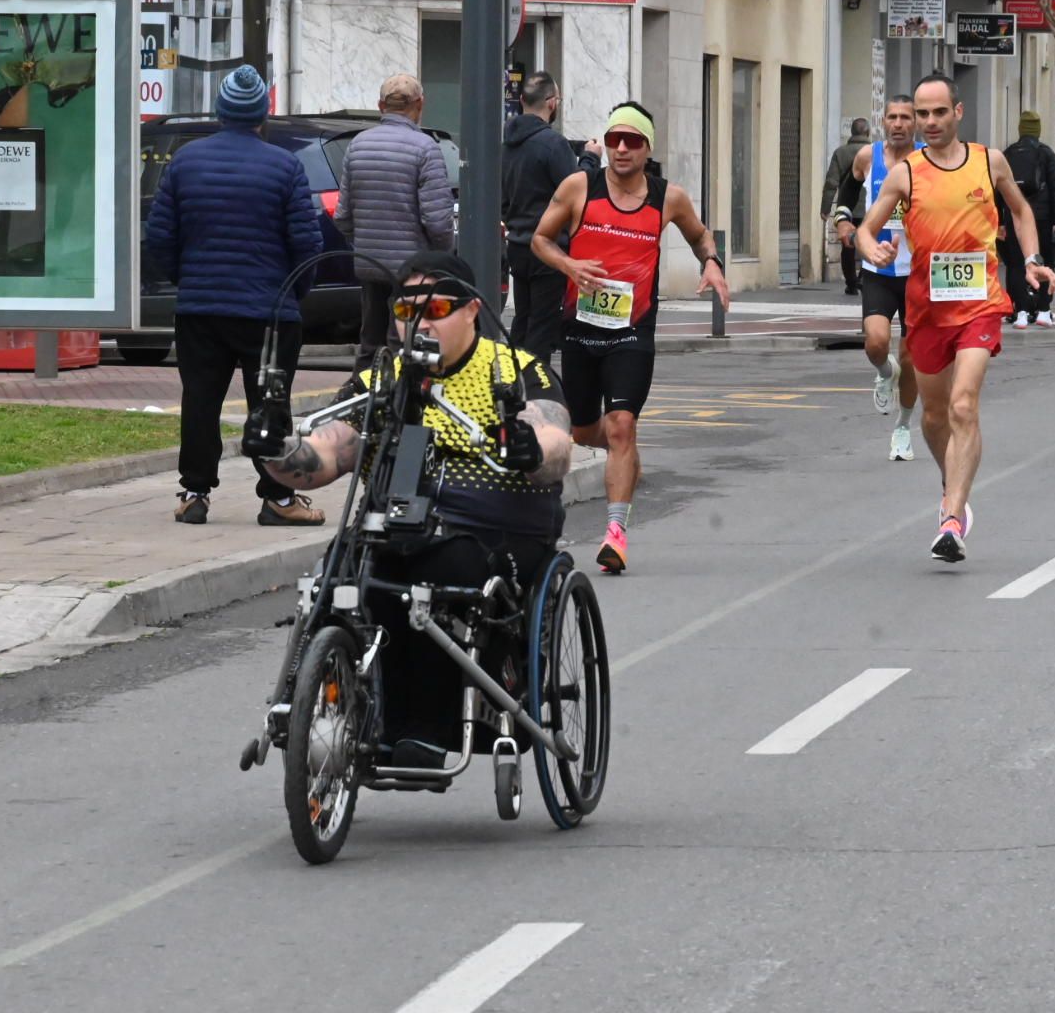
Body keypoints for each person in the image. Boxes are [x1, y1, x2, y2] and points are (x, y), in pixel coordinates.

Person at [261, 251, 574, 765]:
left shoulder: (515, 370)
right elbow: (326, 452)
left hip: (493, 531)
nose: (418, 324)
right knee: (335, 579)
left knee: (434, 578)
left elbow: (555, 439)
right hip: (394, 525)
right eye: (405, 313)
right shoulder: (382, 380)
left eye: (435, 309)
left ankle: (422, 729)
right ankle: (324, 703)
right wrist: (276, 453)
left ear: (473, 310)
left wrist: (530, 448)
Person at [856, 74, 1055, 564]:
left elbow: (1020, 211)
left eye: (937, 113)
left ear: (958, 112)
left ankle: (951, 515)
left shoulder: (989, 162)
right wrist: (875, 250)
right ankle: (953, 482)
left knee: (964, 405)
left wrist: (1031, 260)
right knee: (933, 415)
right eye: (921, 114)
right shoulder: (907, 172)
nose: (928, 122)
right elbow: (866, 229)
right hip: (927, 308)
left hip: (980, 304)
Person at [529, 101, 731, 574]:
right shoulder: (580, 187)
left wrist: (712, 263)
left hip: (633, 332)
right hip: (581, 330)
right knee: (583, 429)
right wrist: (569, 265)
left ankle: (615, 534)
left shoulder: (668, 198)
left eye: (632, 141)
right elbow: (539, 239)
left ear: (647, 149)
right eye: (615, 139)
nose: (621, 148)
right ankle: (627, 452)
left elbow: (700, 235)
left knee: (621, 424)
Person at [146, 65, 324, 527]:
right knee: (270, 401)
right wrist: (294, 294)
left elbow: (160, 236)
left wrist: (188, 279)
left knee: (200, 400)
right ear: (262, 115)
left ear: (221, 112)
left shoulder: (185, 162)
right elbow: (307, 242)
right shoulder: (285, 166)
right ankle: (278, 497)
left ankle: (194, 493)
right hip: (269, 312)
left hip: (201, 308)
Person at [336, 74, 456, 363]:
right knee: (404, 344)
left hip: (370, 264)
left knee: (370, 345)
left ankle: (364, 401)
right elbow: (438, 223)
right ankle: (398, 405)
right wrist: (440, 258)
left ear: (381, 105)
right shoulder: (426, 149)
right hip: (411, 270)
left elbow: (343, 216)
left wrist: (364, 244)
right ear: (420, 105)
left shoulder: (357, 146)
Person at [833, 97, 920, 461]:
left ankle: (902, 428)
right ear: (882, 121)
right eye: (892, 117)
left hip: (917, 272)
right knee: (875, 344)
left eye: (905, 118)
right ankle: (885, 372)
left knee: (912, 357)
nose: (898, 123)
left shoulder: (926, 159)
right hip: (878, 269)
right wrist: (843, 221)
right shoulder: (868, 157)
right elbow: (848, 189)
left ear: (915, 123)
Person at [501, 72, 601, 367]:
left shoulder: (507, 145)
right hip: (549, 247)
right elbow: (575, 189)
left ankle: (514, 381)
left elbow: (504, 200)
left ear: (521, 101)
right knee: (543, 325)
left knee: (523, 318)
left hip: (519, 245)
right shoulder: (553, 144)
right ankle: (535, 388)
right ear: (551, 102)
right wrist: (590, 158)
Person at [997, 111, 1055, 329]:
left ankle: (1021, 311)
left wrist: (1000, 220)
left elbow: (997, 190)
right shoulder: (1046, 153)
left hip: (1013, 215)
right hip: (1042, 217)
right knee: (1043, 262)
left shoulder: (1008, 153)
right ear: (1038, 130)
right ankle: (1044, 311)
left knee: (1016, 264)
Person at [821, 118, 871, 297]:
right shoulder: (875, 152)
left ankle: (851, 283)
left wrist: (825, 208)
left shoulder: (840, 153)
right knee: (870, 242)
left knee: (847, 246)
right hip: (869, 207)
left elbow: (831, 182)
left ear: (852, 133)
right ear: (867, 133)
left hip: (846, 207)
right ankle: (864, 278)